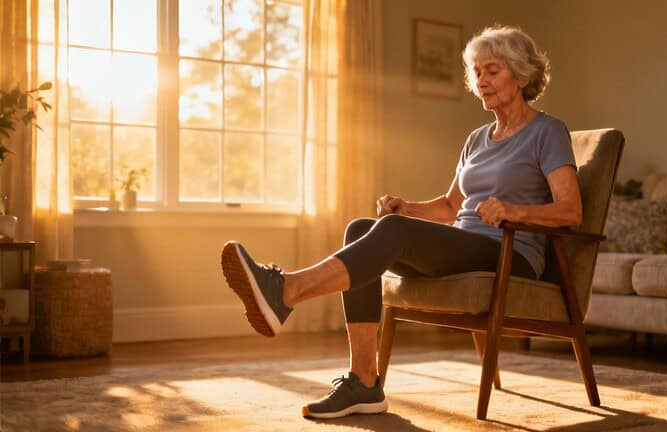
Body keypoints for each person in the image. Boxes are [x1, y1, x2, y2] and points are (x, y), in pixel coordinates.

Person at [220, 25, 582, 419]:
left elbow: (570, 210)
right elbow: (449, 206)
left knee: (387, 235)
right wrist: (405, 208)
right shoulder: (477, 138)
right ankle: (364, 382)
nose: (482, 81)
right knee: (360, 228)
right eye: (476, 72)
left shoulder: (548, 131)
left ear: (522, 74)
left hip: (512, 252)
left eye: (492, 71)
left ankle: (287, 289)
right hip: (468, 246)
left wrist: (515, 211)